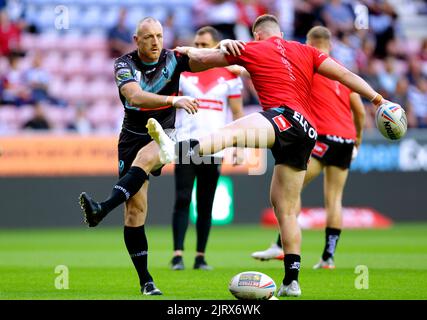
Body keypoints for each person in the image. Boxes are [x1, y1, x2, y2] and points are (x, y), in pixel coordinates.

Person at [80, 14, 394, 298]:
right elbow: (343, 74)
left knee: (227, 133)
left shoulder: (253, 48)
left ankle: (173, 151)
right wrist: (379, 100)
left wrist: (218, 48)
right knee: (285, 207)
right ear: (281, 33)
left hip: (281, 119)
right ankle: (292, 281)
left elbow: (209, 57)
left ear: (257, 35)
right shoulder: (307, 51)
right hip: (309, 132)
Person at [78, 17, 230, 296]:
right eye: (148, 37)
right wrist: (173, 100)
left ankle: (102, 208)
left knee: (147, 159)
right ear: (136, 40)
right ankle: (146, 281)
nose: (156, 42)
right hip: (130, 137)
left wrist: (231, 50)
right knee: (135, 212)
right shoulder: (124, 64)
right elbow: (135, 97)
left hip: (165, 132)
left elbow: (210, 60)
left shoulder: (174, 59)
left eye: (159, 36)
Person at [250, 26, 366, 269]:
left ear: (307, 42)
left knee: (290, 190)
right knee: (334, 200)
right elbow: (360, 111)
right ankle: (328, 258)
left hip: (323, 139)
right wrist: (357, 140)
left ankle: (281, 246)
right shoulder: (342, 72)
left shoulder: (308, 65)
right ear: (330, 45)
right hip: (345, 140)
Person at [171, 26, 244, 271]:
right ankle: (177, 255)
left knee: (205, 203)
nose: (199, 49)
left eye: (204, 45)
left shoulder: (230, 75)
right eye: (197, 44)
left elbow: (237, 114)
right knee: (182, 198)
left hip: (215, 146)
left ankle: (200, 256)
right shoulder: (182, 72)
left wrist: (238, 147)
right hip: (185, 141)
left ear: (216, 46)